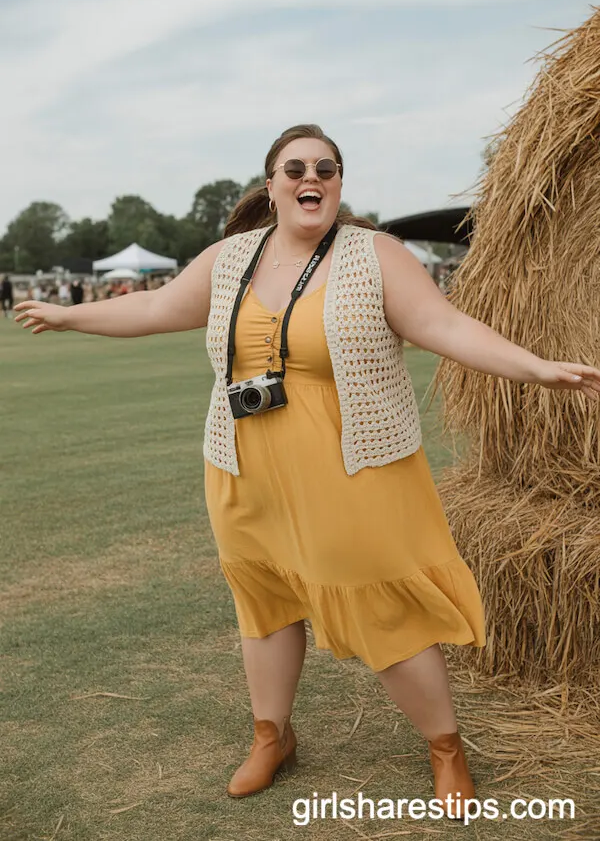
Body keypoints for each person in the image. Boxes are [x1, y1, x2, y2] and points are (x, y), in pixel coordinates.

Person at [14, 124, 600, 820]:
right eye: (294, 168)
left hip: (351, 470)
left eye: (325, 167)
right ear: (271, 186)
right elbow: (156, 305)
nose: (309, 177)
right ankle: (273, 735)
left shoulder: (374, 254)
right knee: (262, 605)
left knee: (384, 607)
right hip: (241, 467)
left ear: (339, 184)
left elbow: (443, 327)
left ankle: (446, 748)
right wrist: (67, 317)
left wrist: (533, 366)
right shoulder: (232, 257)